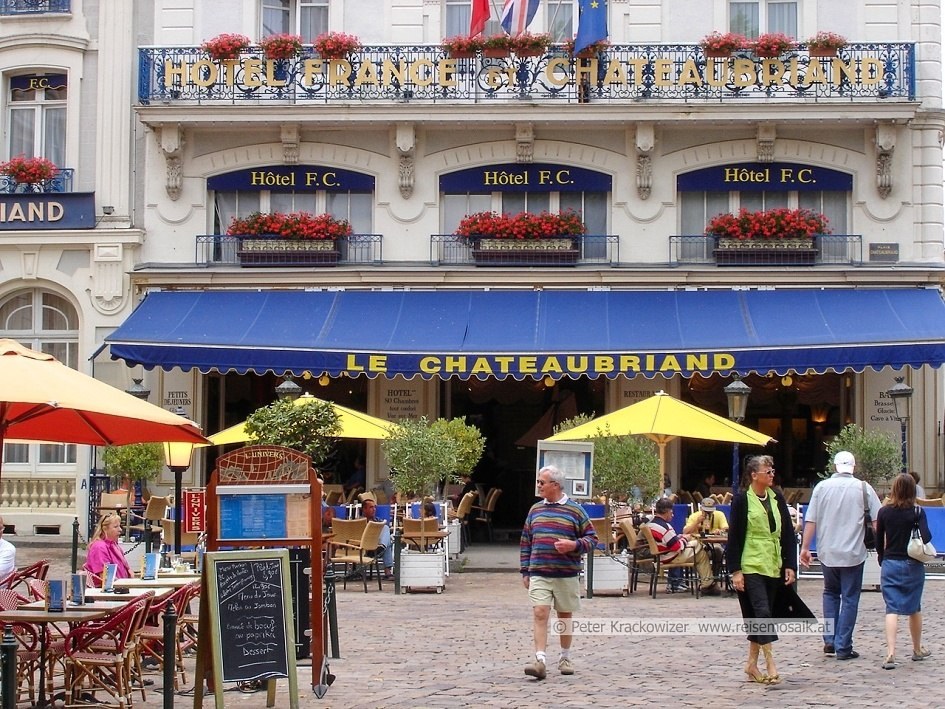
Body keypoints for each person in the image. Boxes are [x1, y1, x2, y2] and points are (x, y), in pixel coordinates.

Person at [727, 455, 808, 685]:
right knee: (762, 612)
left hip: (772, 564)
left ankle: (751, 665)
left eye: (772, 470)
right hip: (751, 563)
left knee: (760, 615)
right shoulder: (742, 500)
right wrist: (736, 570)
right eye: (767, 471)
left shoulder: (776, 497)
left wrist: (790, 564)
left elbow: (787, 535)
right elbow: (734, 537)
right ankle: (771, 663)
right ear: (754, 475)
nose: (772, 474)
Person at [800, 451, 881, 660]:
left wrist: (805, 548)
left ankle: (830, 639)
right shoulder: (864, 488)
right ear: (853, 467)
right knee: (850, 598)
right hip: (854, 552)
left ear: (835, 466)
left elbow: (811, 520)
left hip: (829, 552)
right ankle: (844, 645)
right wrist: (883, 548)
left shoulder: (822, 488)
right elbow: (876, 522)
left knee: (830, 593)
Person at [520, 465, 597, 680]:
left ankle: (565, 656)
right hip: (539, 571)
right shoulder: (535, 510)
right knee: (540, 612)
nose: (538, 486)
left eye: (541, 482)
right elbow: (526, 541)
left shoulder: (575, 510)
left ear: (555, 485)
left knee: (564, 615)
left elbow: (592, 539)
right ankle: (540, 660)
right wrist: (525, 570)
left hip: (565, 573)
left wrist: (573, 545)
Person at [876, 473, 933, 670]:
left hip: (890, 561)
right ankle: (917, 649)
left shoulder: (884, 512)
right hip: (912, 563)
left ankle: (891, 652)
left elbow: (878, 539)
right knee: (914, 607)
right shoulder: (917, 511)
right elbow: (926, 537)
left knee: (892, 608)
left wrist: (882, 558)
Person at [646, 498, 717, 595]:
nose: (673, 514)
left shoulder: (652, 524)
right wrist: (685, 539)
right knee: (698, 544)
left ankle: (708, 584)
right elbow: (677, 547)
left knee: (701, 555)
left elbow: (669, 541)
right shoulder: (665, 527)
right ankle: (708, 584)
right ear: (667, 512)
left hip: (662, 555)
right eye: (671, 512)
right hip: (670, 556)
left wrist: (678, 537)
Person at [683, 497, 728, 580]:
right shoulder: (694, 516)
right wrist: (697, 522)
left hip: (714, 543)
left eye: (710, 511)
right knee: (701, 553)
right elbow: (685, 532)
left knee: (718, 551)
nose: (708, 513)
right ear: (701, 509)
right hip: (698, 543)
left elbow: (726, 529)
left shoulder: (719, 514)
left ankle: (714, 577)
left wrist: (720, 531)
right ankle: (705, 579)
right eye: (706, 511)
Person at [83, 513, 132, 586]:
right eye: (116, 527)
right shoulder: (99, 547)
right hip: (108, 591)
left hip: (121, 586)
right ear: (105, 529)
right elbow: (105, 578)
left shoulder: (114, 545)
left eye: (119, 526)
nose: (120, 530)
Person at [360, 499, 394, 580]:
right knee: (388, 540)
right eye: (371, 507)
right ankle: (387, 571)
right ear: (364, 509)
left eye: (375, 507)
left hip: (376, 548)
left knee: (385, 529)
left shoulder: (378, 520)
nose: (374, 509)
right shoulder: (359, 522)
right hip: (364, 549)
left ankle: (382, 546)